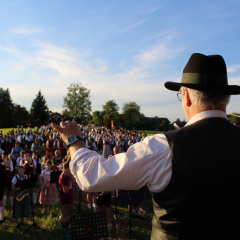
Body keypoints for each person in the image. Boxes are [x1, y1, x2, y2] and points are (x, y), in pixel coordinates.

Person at [51, 53, 240, 240]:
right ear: (226, 99)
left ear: (187, 97)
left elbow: (93, 177)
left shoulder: (163, 147)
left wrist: (74, 140)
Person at [59, 159, 74, 238]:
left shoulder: (68, 176)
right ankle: (64, 231)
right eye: (70, 169)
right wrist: (71, 181)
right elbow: (65, 190)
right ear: (66, 168)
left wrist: (71, 178)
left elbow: (73, 180)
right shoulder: (63, 178)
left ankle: (68, 229)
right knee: (65, 216)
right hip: (65, 199)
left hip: (70, 198)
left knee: (69, 215)